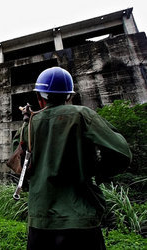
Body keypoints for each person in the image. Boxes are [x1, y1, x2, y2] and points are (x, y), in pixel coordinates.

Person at [15, 67, 132, 250]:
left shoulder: (29, 125)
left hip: (41, 221)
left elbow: (20, 164)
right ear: (69, 96)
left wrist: (26, 121)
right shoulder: (81, 115)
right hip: (81, 221)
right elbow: (122, 153)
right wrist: (99, 173)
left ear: (40, 97)